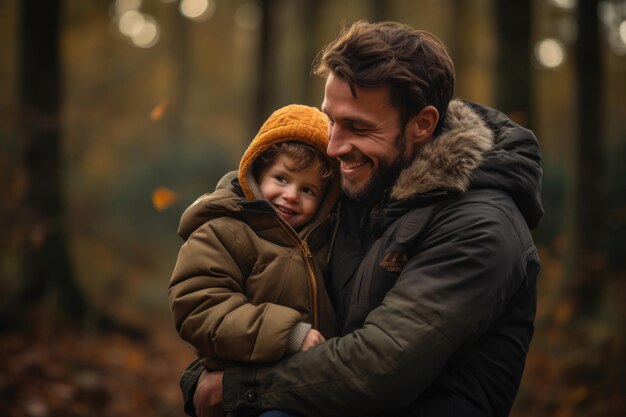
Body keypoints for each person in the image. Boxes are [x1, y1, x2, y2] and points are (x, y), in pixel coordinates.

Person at [184, 20, 543, 417]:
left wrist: (237, 390)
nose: (334, 146)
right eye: (331, 120)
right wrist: (203, 377)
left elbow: (380, 368)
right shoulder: (353, 187)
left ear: (422, 124)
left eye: (357, 126)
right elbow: (256, 285)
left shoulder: (481, 227)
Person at [168, 104, 341, 414]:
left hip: (305, 390)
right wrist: (290, 334)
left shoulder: (321, 245)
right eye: (282, 179)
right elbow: (199, 306)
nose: (291, 196)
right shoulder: (225, 230)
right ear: (258, 173)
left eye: (308, 190)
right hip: (242, 393)